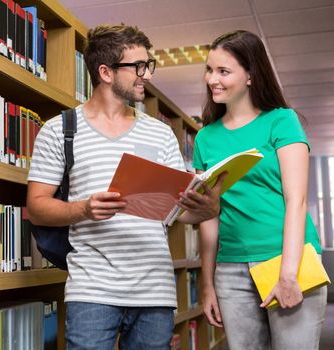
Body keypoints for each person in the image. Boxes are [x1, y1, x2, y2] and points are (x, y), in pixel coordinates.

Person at [27, 24, 224, 350]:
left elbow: (177, 212)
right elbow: (37, 206)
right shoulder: (60, 130)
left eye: (148, 66)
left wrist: (206, 210)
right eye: (138, 67)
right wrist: (83, 208)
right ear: (105, 72)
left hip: (155, 292)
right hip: (92, 291)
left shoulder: (160, 134)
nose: (145, 75)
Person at [195, 30, 328, 350]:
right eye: (210, 69)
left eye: (223, 71)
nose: (212, 79)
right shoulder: (205, 138)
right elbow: (208, 216)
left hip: (287, 259)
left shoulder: (281, 121)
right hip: (230, 269)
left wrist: (288, 273)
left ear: (251, 75)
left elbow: (296, 201)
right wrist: (206, 283)